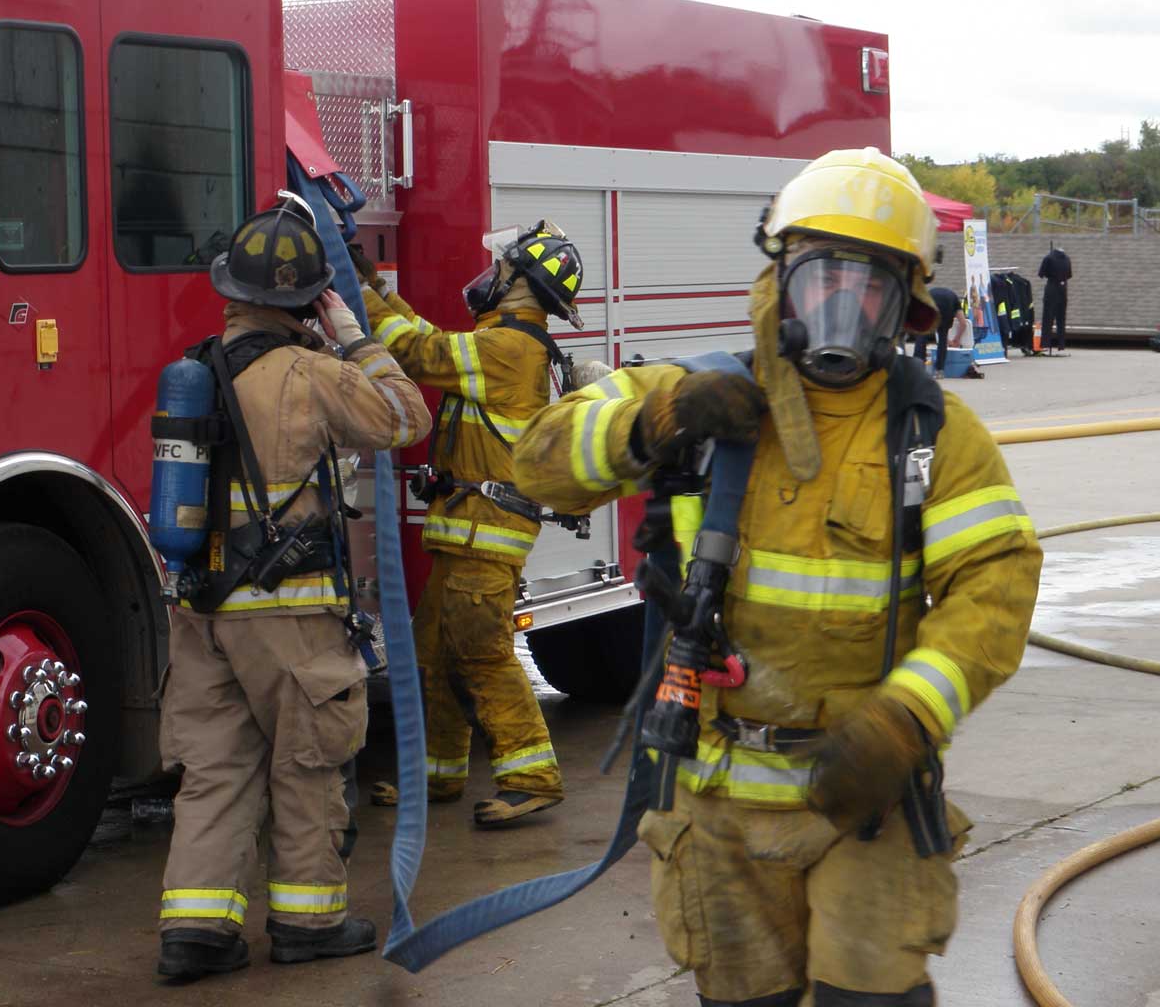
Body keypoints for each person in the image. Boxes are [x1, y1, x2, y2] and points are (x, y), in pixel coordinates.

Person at [511, 150, 1042, 1006]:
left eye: (867, 287)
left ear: (901, 303)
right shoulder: (704, 394)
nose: (840, 307)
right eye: (819, 278)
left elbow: (996, 588)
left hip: (864, 798)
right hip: (718, 799)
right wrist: (655, 422)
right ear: (781, 279)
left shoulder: (933, 434)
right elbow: (538, 459)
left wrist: (906, 720)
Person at [156, 209, 430, 981]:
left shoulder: (196, 370)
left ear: (230, 292)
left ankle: (196, 935)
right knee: (307, 766)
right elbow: (407, 416)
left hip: (203, 612)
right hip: (290, 615)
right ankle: (309, 922)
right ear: (310, 299)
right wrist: (353, 332)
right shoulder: (313, 373)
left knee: (216, 769)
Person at [352, 221, 585, 827]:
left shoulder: (510, 349)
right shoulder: (504, 342)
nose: (491, 277)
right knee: (431, 654)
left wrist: (361, 294)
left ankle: (532, 776)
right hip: (467, 532)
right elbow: (426, 336)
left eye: (503, 269)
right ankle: (437, 777)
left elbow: (417, 351)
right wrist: (375, 282)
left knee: (483, 655)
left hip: (487, 535)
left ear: (521, 286)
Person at [912, 285, 960, 376]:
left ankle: (917, 368)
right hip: (946, 307)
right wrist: (956, 339)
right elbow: (963, 323)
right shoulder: (955, 300)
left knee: (922, 335)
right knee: (942, 338)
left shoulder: (936, 293)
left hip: (928, 303)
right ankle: (939, 370)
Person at [1038, 242, 1072, 355]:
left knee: (1048, 317)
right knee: (1061, 318)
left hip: (1051, 287)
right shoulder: (1067, 259)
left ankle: (1045, 343)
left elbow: (1041, 274)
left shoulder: (1048, 258)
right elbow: (1069, 275)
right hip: (1063, 288)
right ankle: (1061, 344)